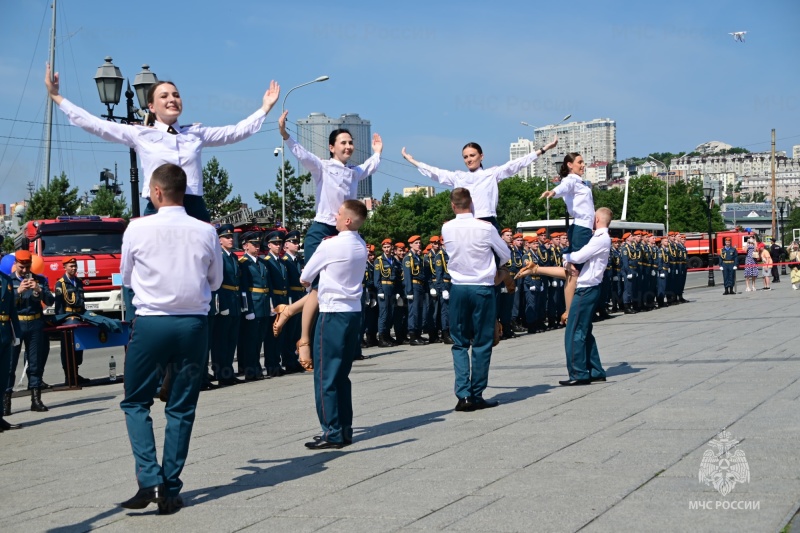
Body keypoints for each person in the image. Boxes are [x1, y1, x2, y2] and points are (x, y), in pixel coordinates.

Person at [45, 64, 280, 221]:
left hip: (193, 207)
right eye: (164, 96)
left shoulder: (195, 134)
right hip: (157, 206)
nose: (172, 99)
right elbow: (97, 125)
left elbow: (235, 132)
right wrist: (58, 98)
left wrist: (265, 108)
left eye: (176, 95)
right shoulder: (140, 134)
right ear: (151, 106)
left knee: (202, 261)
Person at [118, 163, 222, 514]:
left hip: (151, 323)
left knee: (135, 401)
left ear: (157, 192)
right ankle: (172, 489)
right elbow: (216, 281)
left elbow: (127, 278)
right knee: (181, 407)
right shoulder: (206, 230)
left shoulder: (137, 227)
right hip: (193, 324)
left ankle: (150, 479)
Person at [273, 111, 382, 369]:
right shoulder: (322, 166)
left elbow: (369, 167)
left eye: (351, 142)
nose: (348, 146)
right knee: (318, 289)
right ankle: (304, 341)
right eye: (343, 143)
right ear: (332, 147)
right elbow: (302, 154)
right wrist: (285, 134)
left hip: (345, 235)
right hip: (322, 231)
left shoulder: (354, 172)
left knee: (331, 289)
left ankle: (289, 311)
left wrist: (377, 152)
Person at [300, 200, 369, 450]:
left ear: (348, 220)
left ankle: (332, 431)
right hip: (353, 312)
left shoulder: (329, 245)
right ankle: (345, 428)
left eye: (339, 214)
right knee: (341, 375)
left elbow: (306, 276)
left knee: (325, 375)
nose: (335, 217)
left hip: (331, 312)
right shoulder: (361, 245)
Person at [441, 188, 510, 412]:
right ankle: (477, 393)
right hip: (482, 287)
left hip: (459, 288)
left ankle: (463, 395)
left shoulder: (447, 227)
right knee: (482, 342)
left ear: (453, 206)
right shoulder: (486, 228)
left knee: (460, 342)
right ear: (471, 205)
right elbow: (506, 254)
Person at [401, 139, 557, 230]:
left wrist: (543, 150)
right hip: (467, 222)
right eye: (465, 157)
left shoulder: (492, 173)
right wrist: (413, 161)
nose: (469, 159)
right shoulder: (459, 177)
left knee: (497, 261)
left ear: (481, 156)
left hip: (487, 221)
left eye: (472, 155)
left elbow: (516, 164)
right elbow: (435, 172)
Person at [558, 207, 613, 386]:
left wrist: (565, 257)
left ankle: (578, 373)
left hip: (586, 289)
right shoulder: (600, 238)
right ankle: (595, 370)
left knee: (574, 331)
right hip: (591, 288)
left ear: (596, 219)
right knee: (584, 331)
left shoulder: (600, 239)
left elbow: (579, 256)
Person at [540, 153, 595, 323]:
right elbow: (563, 186)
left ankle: (571, 310)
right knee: (574, 271)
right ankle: (570, 312)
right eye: (580, 162)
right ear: (570, 165)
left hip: (584, 228)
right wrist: (553, 192)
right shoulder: (571, 180)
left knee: (575, 270)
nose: (583, 165)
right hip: (580, 228)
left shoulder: (580, 182)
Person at [5, 250, 54, 414]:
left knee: (35, 363)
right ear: (16, 265)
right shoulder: (9, 280)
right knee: (10, 364)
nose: (25, 271)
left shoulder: (39, 279)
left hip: (35, 323)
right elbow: (3, 302)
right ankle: (6, 403)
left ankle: (36, 399)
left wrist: (39, 290)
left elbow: (50, 301)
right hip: (16, 324)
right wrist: (17, 292)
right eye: (22, 268)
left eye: (27, 267)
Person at [0, 269, 21, 430]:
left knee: (3, 376)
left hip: (5, 333)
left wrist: (17, 334)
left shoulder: (6, 279)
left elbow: (12, 309)